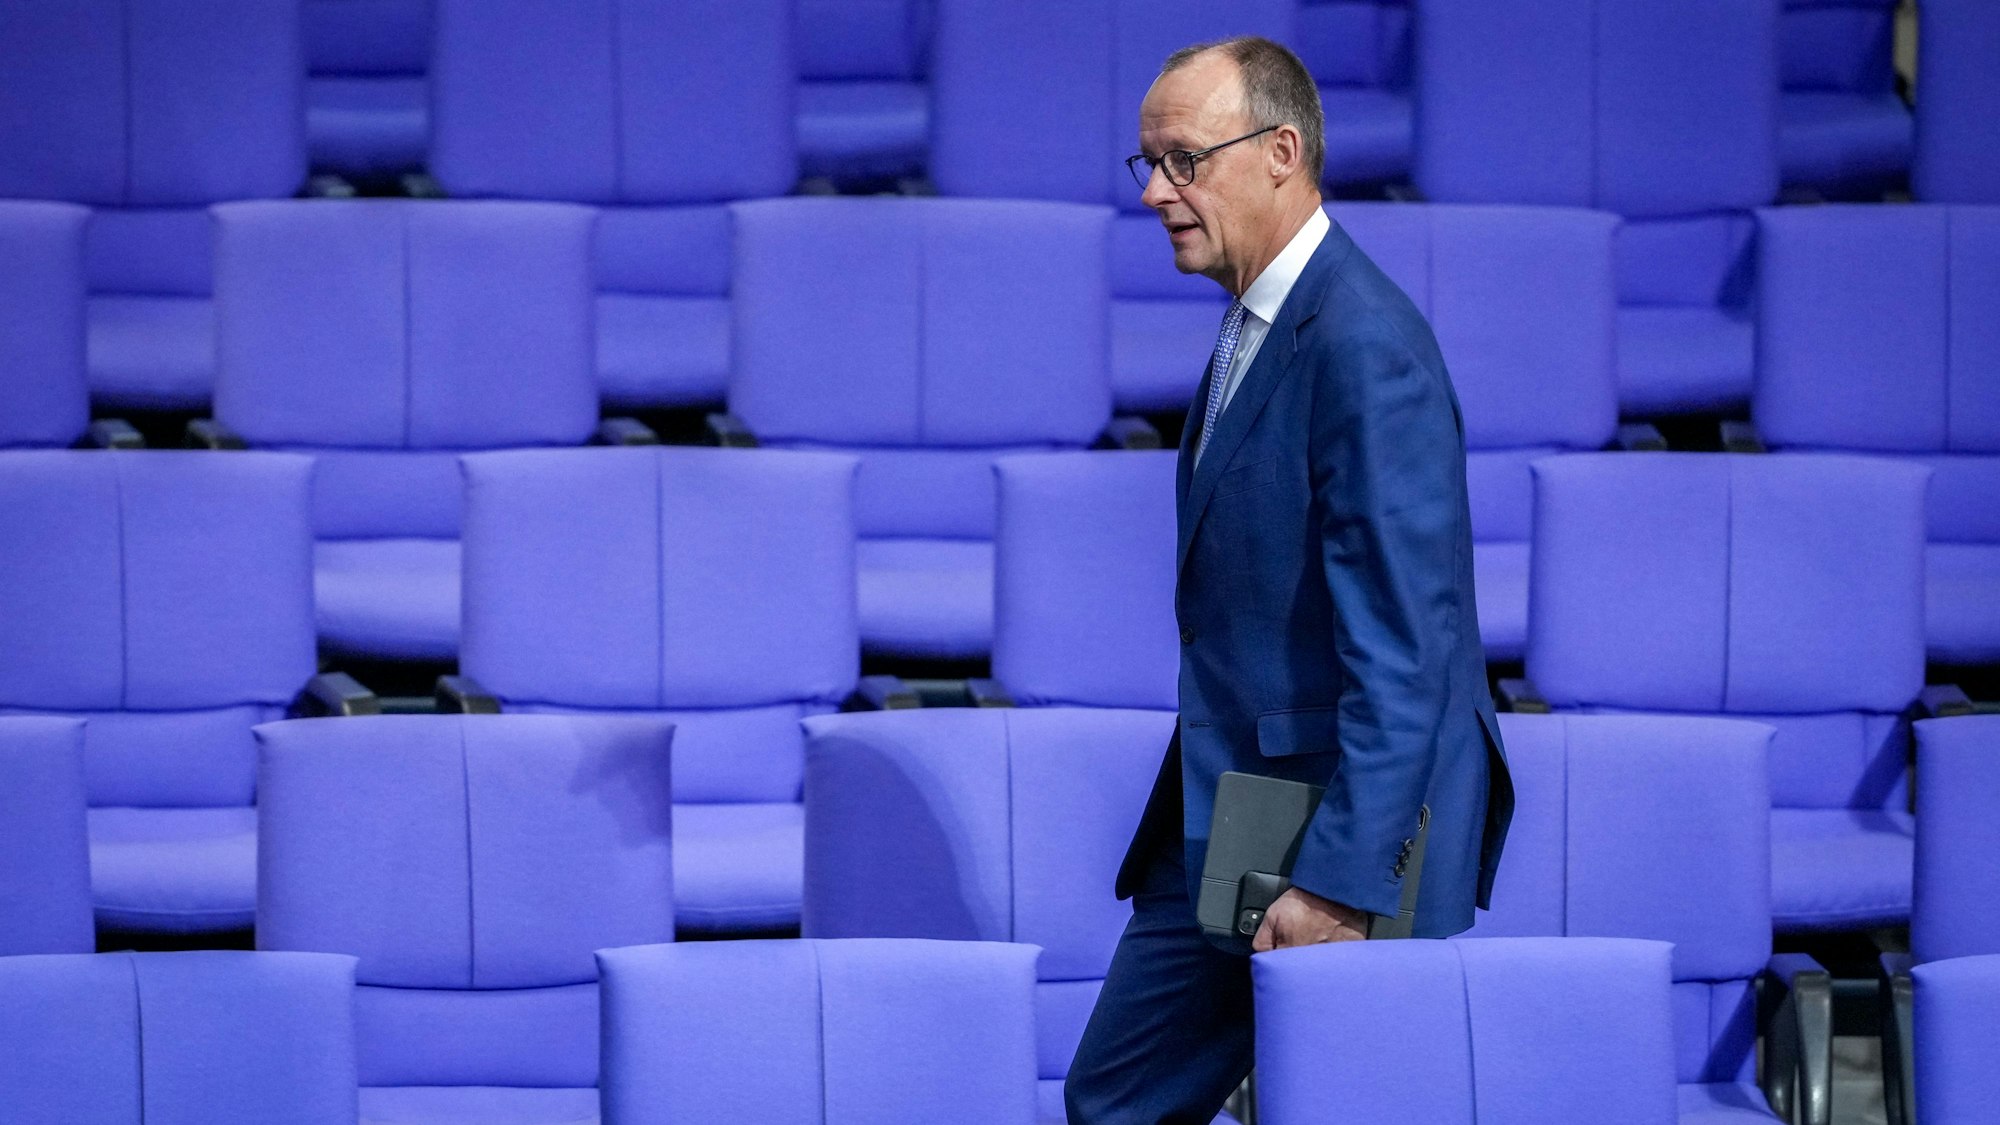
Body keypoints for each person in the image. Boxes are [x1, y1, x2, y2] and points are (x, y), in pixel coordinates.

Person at [1064, 37, 1515, 1124]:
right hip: (1239, 813)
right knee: (1115, 1101)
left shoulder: (1363, 348)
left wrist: (1340, 885)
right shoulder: (1261, 321)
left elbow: (1409, 652)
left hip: (1329, 840)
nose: (1158, 193)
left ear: (1280, 151)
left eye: (1183, 160)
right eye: (1148, 165)